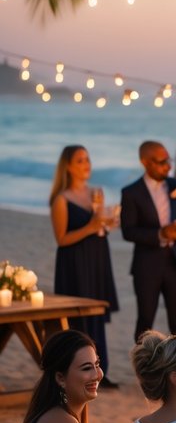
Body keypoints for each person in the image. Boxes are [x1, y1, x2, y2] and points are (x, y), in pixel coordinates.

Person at [50, 144, 120, 385]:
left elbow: (101, 227)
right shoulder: (61, 199)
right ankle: (78, 372)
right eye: (80, 160)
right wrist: (91, 227)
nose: (86, 164)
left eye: (88, 159)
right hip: (74, 260)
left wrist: (109, 223)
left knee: (97, 311)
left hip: (97, 256)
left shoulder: (95, 193)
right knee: (79, 316)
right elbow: (61, 239)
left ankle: (102, 371)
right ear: (68, 166)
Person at [121, 140, 176, 340]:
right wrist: (160, 235)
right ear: (145, 162)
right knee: (145, 323)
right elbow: (128, 232)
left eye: (168, 160)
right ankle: (143, 368)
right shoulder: (131, 192)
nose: (168, 166)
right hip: (146, 265)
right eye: (162, 161)